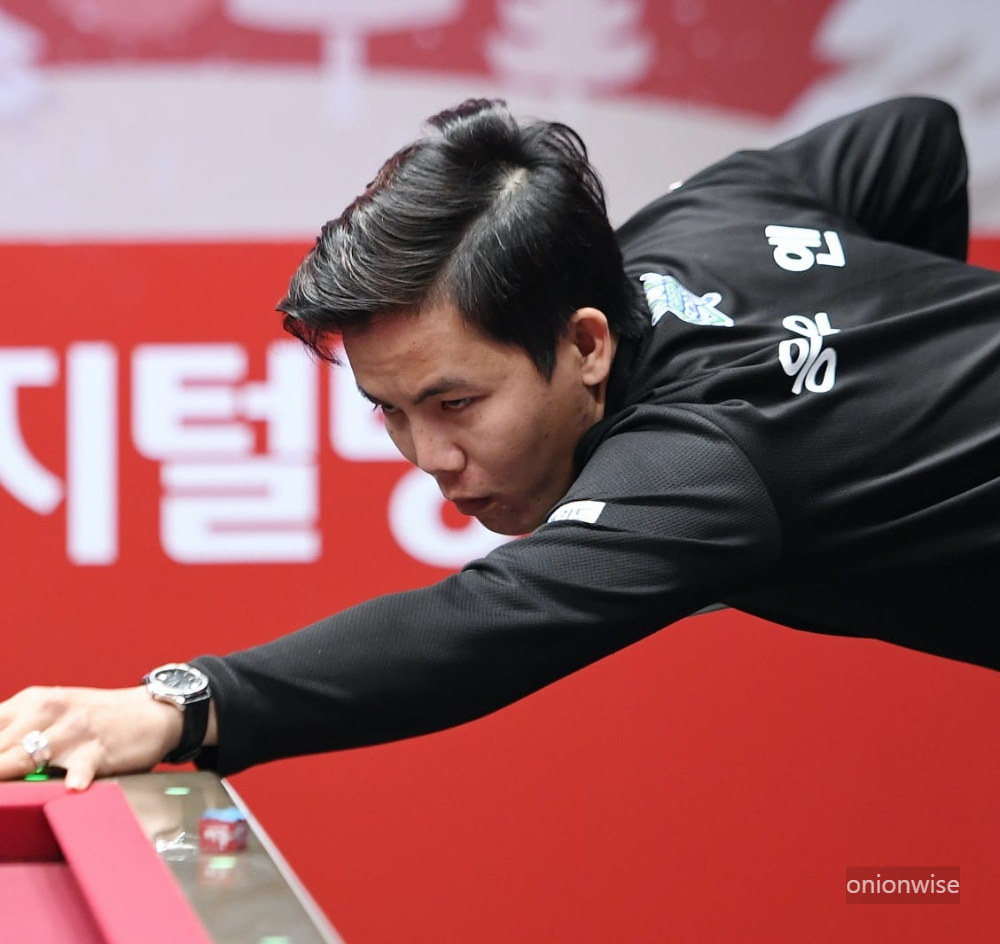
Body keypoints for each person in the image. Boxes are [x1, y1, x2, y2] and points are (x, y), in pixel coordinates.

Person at [1, 95, 998, 790]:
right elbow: (914, 137)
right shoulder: (706, 218)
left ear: (588, 344)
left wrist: (181, 704)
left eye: (455, 402)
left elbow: (486, 622)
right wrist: (896, 389)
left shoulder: (702, 462)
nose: (431, 457)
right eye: (391, 410)